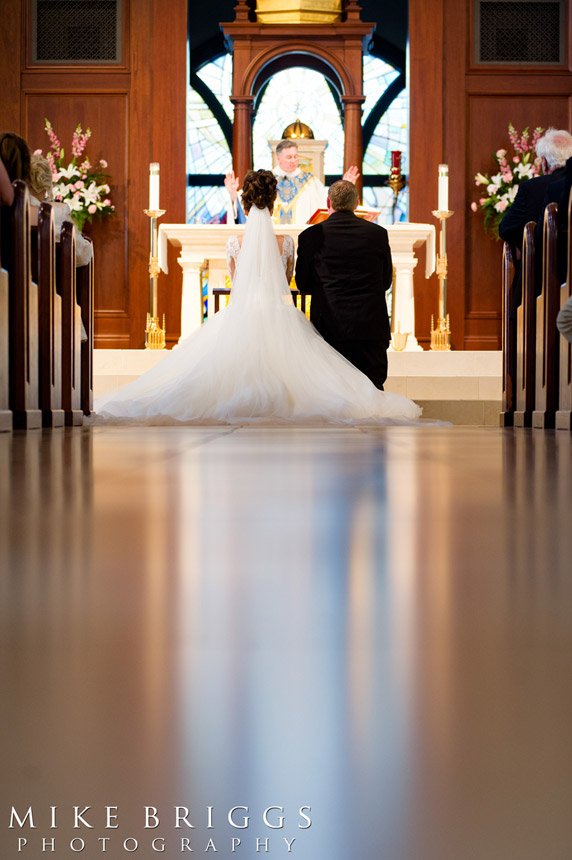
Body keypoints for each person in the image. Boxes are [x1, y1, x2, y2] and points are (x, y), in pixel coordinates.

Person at [94, 170, 421, 425]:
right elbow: (294, 282)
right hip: (284, 317)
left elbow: (245, 283)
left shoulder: (239, 242)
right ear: (274, 201)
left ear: (247, 201)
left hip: (243, 316)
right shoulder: (289, 243)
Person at [295, 179, 391, 390]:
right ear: (357, 203)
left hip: (329, 327)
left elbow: (303, 284)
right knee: (372, 388)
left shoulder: (310, 236)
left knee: (331, 390)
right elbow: (385, 281)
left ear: (328, 202)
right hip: (370, 328)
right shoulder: (377, 234)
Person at [499, 128, 572, 305]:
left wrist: (528, 246)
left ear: (545, 163)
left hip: (538, 283)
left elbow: (506, 228)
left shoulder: (532, 188)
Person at [225, 139, 360, 225]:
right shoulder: (265, 180)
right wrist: (233, 196)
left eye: (296, 157)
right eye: (289, 157)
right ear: (278, 158)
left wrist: (345, 185)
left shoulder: (310, 181)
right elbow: (247, 206)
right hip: (270, 237)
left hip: (301, 238)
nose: (293, 160)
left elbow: (330, 202)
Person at [28, 153, 93, 268]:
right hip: (47, 282)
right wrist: (87, 244)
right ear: (47, 184)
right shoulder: (57, 212)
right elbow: (82, 254)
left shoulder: (12, 209)